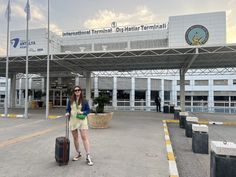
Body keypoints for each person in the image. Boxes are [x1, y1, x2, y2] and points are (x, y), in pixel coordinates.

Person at [65, 85, 94, 166]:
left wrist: (83, 112)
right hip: (73, 121)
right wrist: (67, 112)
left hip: (82, 120)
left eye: (78, 90)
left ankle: (88, 156)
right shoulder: (70, 100)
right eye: (75, 90)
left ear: (81, 91)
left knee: (84, 137)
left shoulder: (84, 101)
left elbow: (88, 110)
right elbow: (68, 109)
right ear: (74, 92)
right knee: (75, 138)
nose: (77, 91)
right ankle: (78, 153)